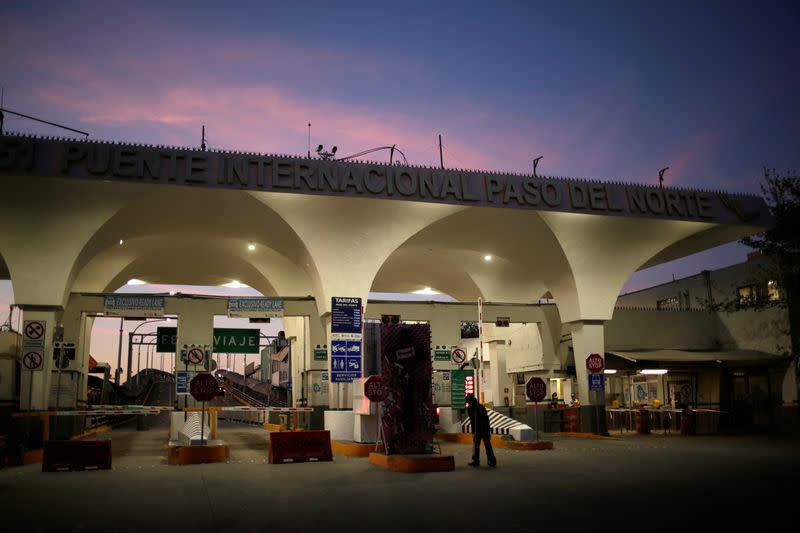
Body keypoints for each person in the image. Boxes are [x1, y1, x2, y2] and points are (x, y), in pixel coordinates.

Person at [465, 393, 496, 467]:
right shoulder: (481, 406)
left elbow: (473, 420)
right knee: (488, 445)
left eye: (467, 401)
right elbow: (486, 418)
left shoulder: (471, 408)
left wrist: (473, 431)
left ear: (469, 401)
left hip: (478, 429)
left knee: (476, 446)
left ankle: (476, 461)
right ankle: (492, 460)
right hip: (485, 428)